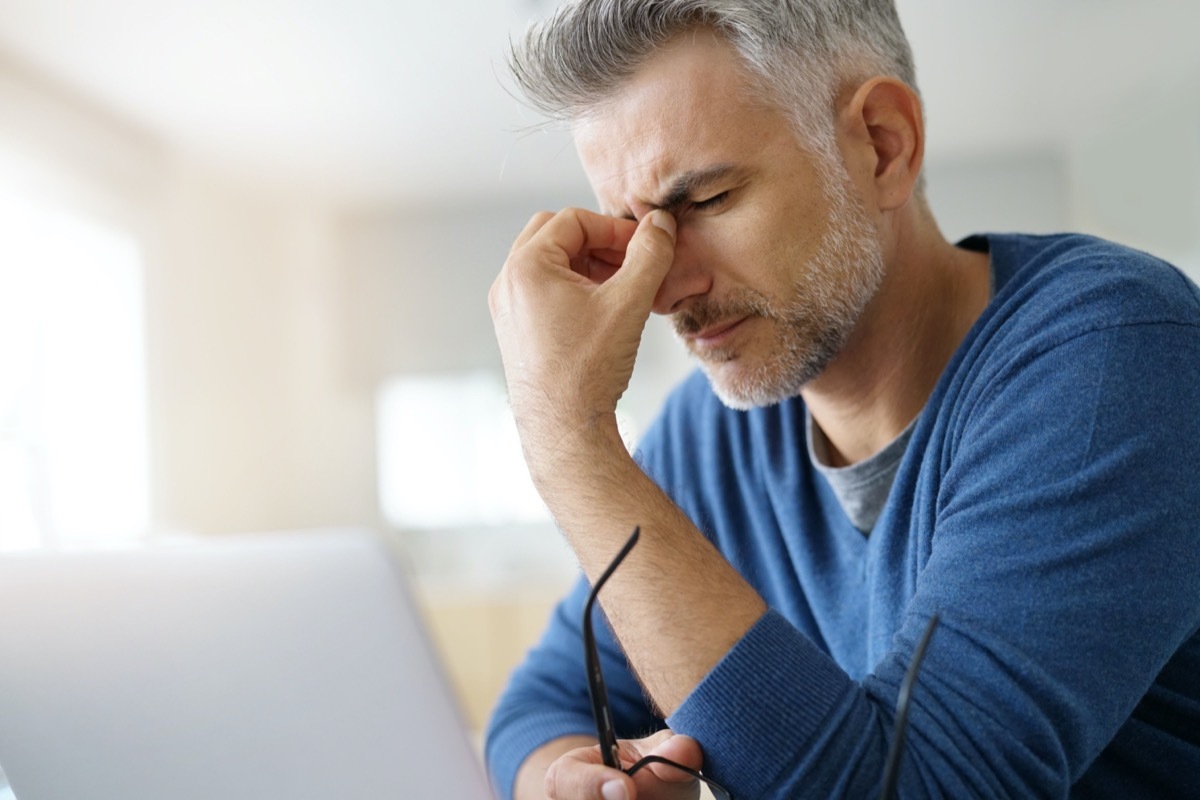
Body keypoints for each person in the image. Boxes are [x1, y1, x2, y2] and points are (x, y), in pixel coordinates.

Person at [484, 1, 1200, 798]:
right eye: (631, 228)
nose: (662, 290)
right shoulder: (706, 437)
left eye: (707, 202)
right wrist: (565, 779)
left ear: (882, 147)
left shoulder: (1113, 351)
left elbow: (917, 786)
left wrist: (566, 435)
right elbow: (542, 702)